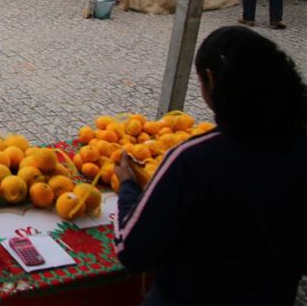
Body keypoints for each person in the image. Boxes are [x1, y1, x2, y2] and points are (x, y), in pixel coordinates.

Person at [114, 25, 306, 305]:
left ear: (212, 80)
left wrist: (128, 186)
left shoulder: (193, 160)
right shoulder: (299, 151)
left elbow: (131, 251)